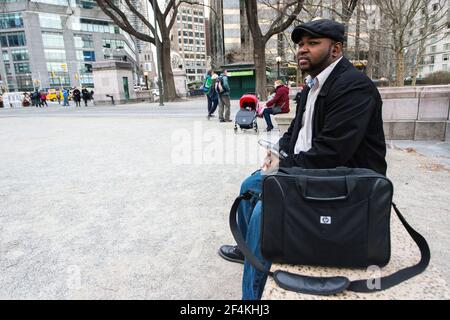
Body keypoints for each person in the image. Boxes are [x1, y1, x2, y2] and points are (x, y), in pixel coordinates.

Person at [218, 18, 387, 300]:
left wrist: (284, 167)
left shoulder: (354, 87)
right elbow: (295, 132)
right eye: (300, 44)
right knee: (249, 186)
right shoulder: (312, 86)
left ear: (335, 49)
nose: (302, 50)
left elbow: (332, 154)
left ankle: (254, 294)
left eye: (312, 43)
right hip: (311, 172)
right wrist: (278, 153)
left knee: (264, 210)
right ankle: (249, 250)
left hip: (347, 182)